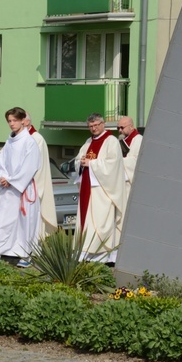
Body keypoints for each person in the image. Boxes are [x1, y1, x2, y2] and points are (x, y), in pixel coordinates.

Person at [0, 107, 41, 264]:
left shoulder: (29, 141)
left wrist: (13, 180)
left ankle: (25, 254)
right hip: (7, 187)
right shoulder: (9, 141)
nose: (11, 124)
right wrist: (3, 177)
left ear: (23, 120)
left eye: (15, 120)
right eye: (9, 121)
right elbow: (1, 159)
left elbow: (31, 165)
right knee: (2, 219)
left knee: (24, 222)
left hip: (21, 187)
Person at [76, 113, 126, 264]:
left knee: (100, 222)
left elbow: (113, 165)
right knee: (87, 222)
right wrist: (81, 161)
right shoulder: (88, 141)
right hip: (87, 187)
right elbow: (79, 159)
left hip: (103, 191)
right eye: (91, 126)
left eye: (96, 125)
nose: (94, 128)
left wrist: (91, 164)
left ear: (103, 124)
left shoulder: (111, 141)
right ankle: (85, 252)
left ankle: (102, 256)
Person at [23, 113, 58, 240]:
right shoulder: (16, 138)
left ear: (26, 122)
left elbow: (34, 164)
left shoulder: (36, 139)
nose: (12, 124)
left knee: (32, 221)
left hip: (32, 186)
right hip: (17, 186)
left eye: (17, 120)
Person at [117, 116, 143, 200]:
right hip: (121, 182)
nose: (120, 130)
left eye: (122, 127)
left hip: (130, 183)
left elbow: (138, 162)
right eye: (118, 128)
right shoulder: (122, 140)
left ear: (131, 126)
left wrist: (120, 161)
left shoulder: (139, 140)